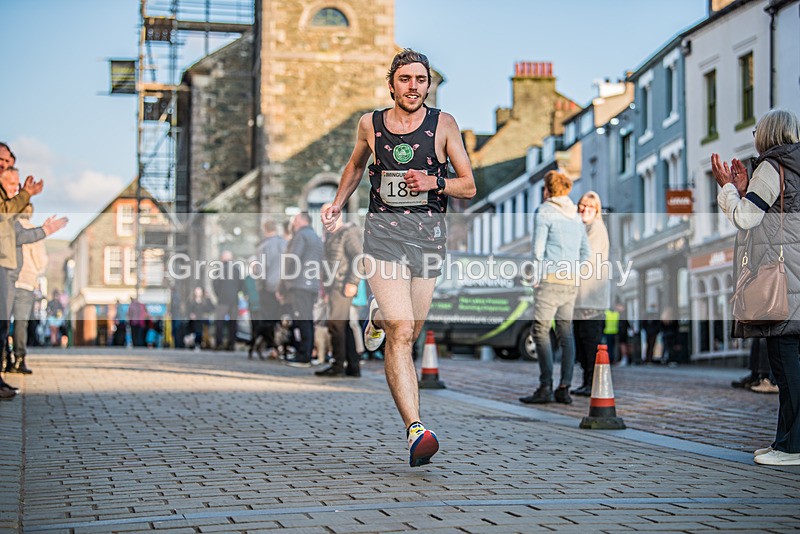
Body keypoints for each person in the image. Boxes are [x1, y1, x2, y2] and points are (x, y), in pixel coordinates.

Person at [321, 49, 476, 467]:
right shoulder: (370, 124)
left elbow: (468, 185)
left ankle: (376, 316)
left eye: (420, 80)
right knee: (402, 332)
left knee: (411, 328)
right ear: (391, 84)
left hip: (427, 242)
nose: (413, 86)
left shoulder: (444, 125)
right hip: (383, 239)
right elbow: (355, 166)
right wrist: (337, 203)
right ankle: (416, 429)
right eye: (405, 79)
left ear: (428, 85)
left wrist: (433, 181)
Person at [712, 108, 800, 466]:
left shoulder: (772, 166)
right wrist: (746, 191)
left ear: (766, 135)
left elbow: (746, 217)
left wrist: (727, 189)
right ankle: (784, 442)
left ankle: (793, 448)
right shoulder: (793, 166)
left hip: (783, 281)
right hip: (796, 276)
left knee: (786, 368)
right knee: (789, 367)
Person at [519, 171, 590, 406]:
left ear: (548, 190)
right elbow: (586, 252)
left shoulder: (545, 211)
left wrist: (536, 277)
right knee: (565, 333)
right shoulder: (575, 216)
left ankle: (545, 386)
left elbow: (538, 250)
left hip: (549, 280)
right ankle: (564, 387)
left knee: (540, 331)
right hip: (570, 281)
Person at [9, 204, 67, 374]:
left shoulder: (7, 226)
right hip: (25, 281)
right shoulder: (34, 231)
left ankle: (4, 359)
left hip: (6, 278)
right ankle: (19, 359)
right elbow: (41, 262)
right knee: (21, 323)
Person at [316, 203, 364, 378]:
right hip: (334, 286)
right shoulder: (331, 235)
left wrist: (353, 282)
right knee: (343, 326)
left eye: (325, 214)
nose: (323, 218)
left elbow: (360, 257)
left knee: (336, 325)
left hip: (343, 285)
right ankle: (353, 366)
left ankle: (338, 366)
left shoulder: (347, 233)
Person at [571, 191, 610, 397]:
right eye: (582, 206)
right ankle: (587, 381)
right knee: (582, 340)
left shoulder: (595, 228)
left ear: (597, 210)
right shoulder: (584, 228)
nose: (585, 210)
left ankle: (592, 383)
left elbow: (584, 259)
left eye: (590, 207)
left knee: (589, 341)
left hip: (590, 298)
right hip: (582, 297)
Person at [278, 213, 323, 367]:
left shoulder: (301, 235)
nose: (293, 223)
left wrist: (282, 285)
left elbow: (292, 260)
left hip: (300, 284)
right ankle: (307, 353)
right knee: (308, 319)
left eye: (295, 220)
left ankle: (303, 356)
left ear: (302, 221)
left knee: (302, 319)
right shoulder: (316, 237)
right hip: (312, 284)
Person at [255, 219, 287, 359]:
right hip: (285, 288)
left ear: (265, 230)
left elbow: (260, 270)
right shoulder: (286, 244)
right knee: (283, 320)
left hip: (268, 288)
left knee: (268, 319)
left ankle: (271, 347)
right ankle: (282, 347)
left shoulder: (264, 246)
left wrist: (260, 287)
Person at [212, 250, 243, 351]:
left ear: (222, 258)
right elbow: (241, 285)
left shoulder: (219, 270)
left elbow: (215, 284)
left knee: (219, 323)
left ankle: (219, 344)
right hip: (234, 300)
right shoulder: (236, 270)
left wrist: (219, 295)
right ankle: (231, 344)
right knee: (233, 323)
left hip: (222, 300)